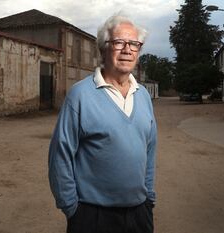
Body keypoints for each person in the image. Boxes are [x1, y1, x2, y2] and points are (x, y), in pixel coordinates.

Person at [48, 12, 157, 233]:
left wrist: (149, 198)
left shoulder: (143, 95)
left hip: (139, 214)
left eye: (134, 44)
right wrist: (73, 209)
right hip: (93, 218)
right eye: (119, 42)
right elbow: (60, 155)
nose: (127, 49)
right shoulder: (80, 95)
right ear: (102, 49)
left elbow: (150, 151)